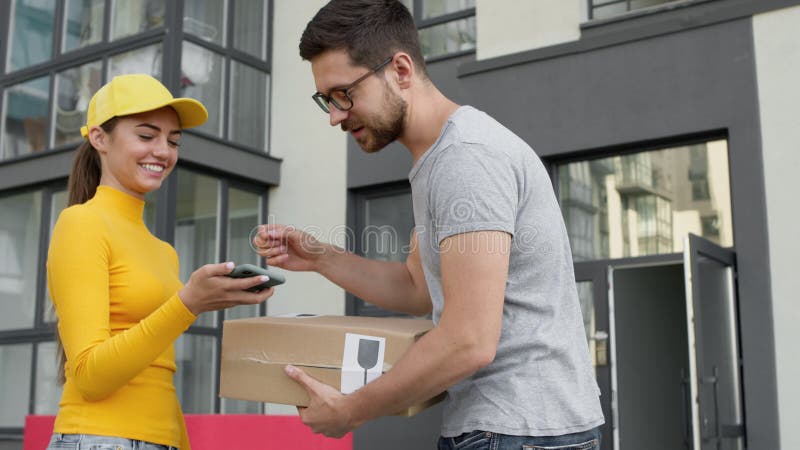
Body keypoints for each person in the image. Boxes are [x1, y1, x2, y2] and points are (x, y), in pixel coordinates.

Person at [254, 0, 605, 449]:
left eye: (344, 94)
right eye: (327, 99)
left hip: (519, 429)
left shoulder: (465, 158)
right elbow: (417, 288)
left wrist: (351, 409)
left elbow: (469, 340)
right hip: (517, 428)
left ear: (400, 70)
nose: (335, 115)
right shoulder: (437, 160)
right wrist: (323, 258)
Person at [46, 74, 274, 450]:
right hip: (98, 438)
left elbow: (159, 372)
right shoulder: (81, 223)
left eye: (173, 141)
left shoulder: (164, 251)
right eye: (146, 136)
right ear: (100, 138)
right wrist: (188, 304)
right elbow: (89, 376)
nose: (163, 152)